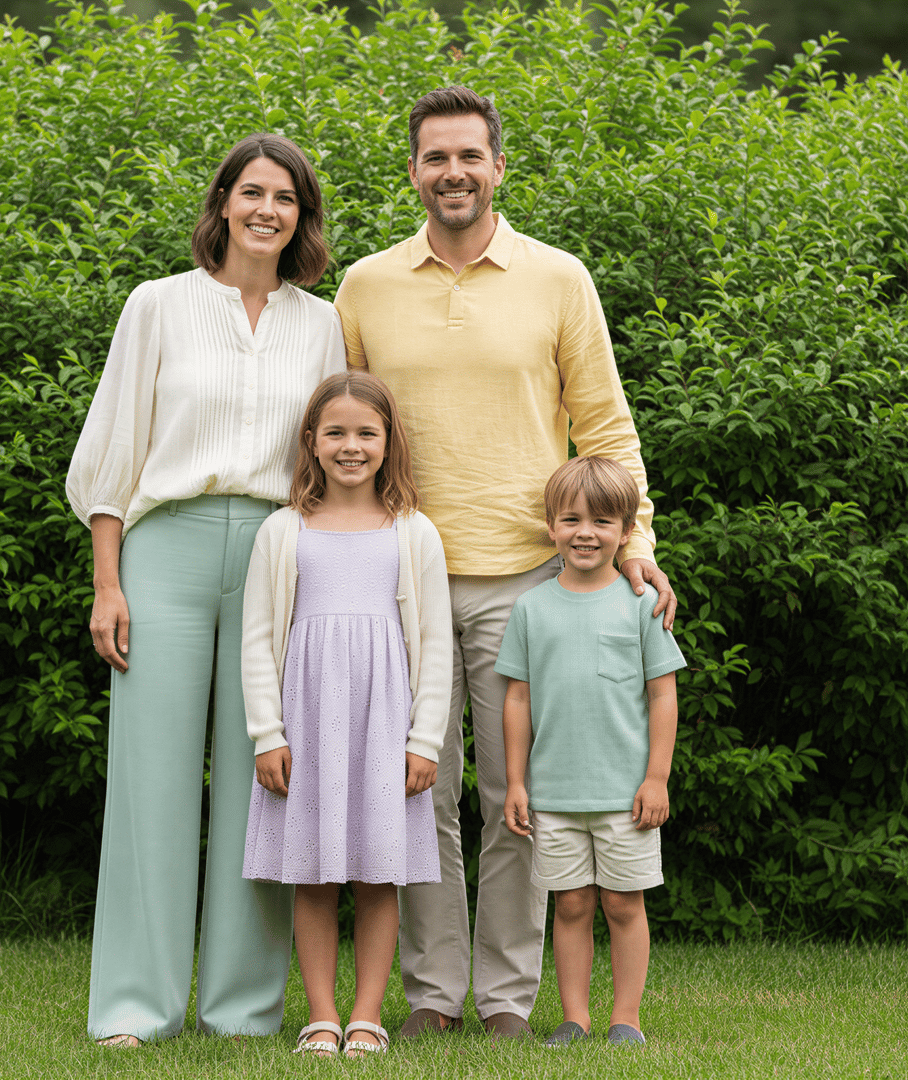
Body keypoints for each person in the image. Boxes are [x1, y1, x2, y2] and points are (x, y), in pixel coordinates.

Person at [333, 85, 678, 1037]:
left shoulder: (557, 277)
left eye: (468, 157)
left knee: (522, 800)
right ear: (413, 171)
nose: (453, 173)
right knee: (420, 795)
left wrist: (637, 543)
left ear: (496, 166)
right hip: (400, 577)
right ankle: (436, 998)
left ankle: (509, 1002)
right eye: (434, 158)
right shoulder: (365, 285)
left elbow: (605, 427)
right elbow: (339, 430)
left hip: (533, 581)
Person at [66, 133, 345, 1045]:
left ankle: (242, 1007)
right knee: (150, 781)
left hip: (278, 554)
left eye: (287, 199)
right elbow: (114, 447)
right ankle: (135, 1006)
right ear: (223, 202)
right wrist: (109, 584)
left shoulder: (322, 322)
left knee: (266, 780)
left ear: (301, 218)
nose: (268, 210)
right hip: (166, 551)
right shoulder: (158, 306)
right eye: (252, 192)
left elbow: (336, 453)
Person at [239, 371, 452, 1056]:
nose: (351, 446)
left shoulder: (414, 533)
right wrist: (266, 733)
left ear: (389, 443)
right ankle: (322, 1016)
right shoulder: (283, 530)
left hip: (385, 726)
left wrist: (425, 741)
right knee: (315, 871)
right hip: (308, 724)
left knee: (377, 869)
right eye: (336, 432)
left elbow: (435, 648)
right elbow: (259, 641)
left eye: (367, 433)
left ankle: (368, 1017)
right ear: (312, 441)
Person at [499, 457, 686, 1047]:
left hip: (625, 793)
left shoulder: (641, 604)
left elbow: (663, 696)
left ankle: (625, 1018)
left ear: (625, 531)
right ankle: (574, 1018)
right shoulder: (531, 608)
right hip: (553, 792)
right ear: (550, 527)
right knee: (572, 905)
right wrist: (516, 782)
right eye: (571, 519)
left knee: (624, 905)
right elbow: (518, 700)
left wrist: (656, 779)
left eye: (602, 521)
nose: (586, 532)